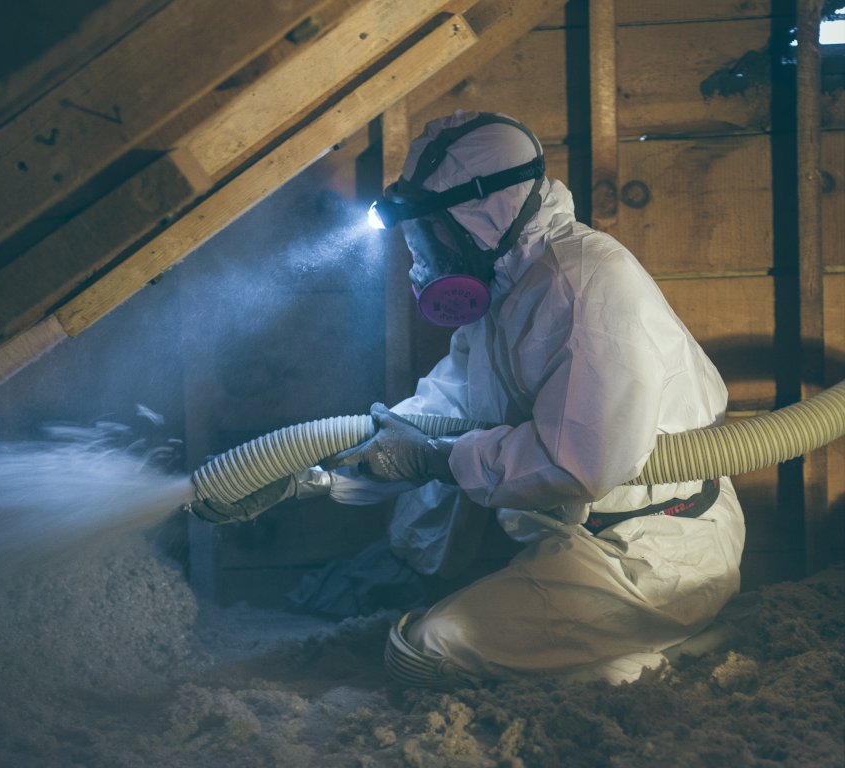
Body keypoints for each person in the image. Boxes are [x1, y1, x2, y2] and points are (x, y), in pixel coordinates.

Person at [189, 111, 745, 688]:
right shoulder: (509, 291)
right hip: (576, 541)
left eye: (428, 231)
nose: (422, 253)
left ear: (480, 215)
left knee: (427, 651)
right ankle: (604, 651)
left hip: (653, 555)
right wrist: (307, 475)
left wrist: (434, 459)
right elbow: (440, 410)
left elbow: (584, 460)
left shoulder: (581, 282)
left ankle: (672, 649)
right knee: (442, 615)